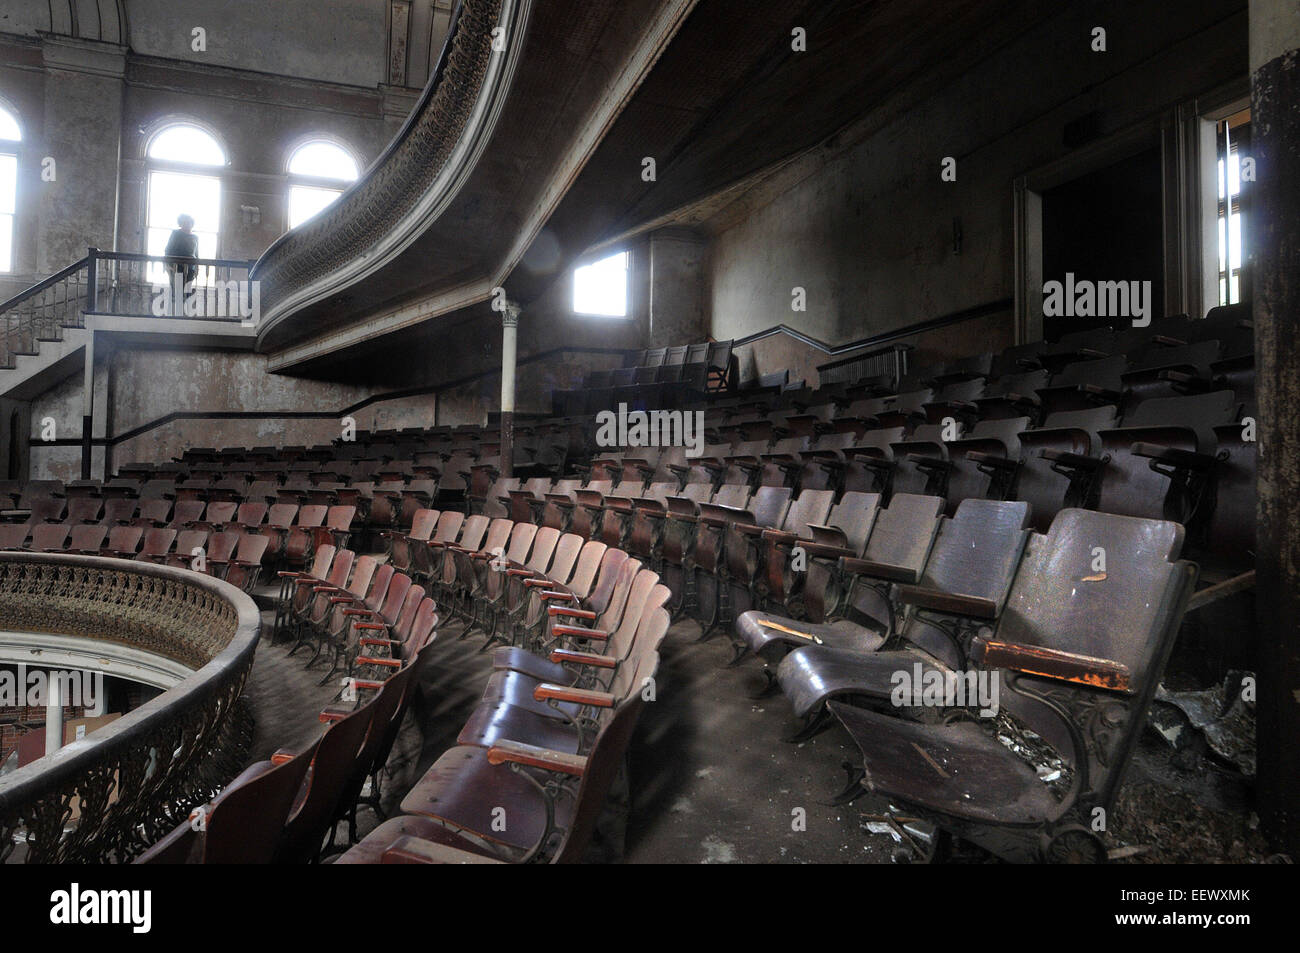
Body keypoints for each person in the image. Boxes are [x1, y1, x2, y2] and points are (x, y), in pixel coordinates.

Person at [163, 213, 199, 291]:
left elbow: (196, 254)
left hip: (190, 268)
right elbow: (168, 249)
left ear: (192, 224)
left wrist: (197, 268)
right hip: (176, 267)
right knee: (176, 292)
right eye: (184, 222)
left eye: (189, 222)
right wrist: (167, 265)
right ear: (180, 223)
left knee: (186, 292)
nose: (187, 224)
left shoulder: (195, 237)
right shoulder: (175, 233)